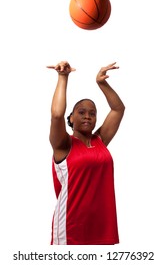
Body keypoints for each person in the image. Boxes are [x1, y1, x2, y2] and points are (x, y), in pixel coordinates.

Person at [47, 60, 125, 245]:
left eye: (92, 113)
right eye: (81, 112)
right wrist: (63, 77)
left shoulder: (100, 141)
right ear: (71, 118)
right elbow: (57, 115)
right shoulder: (63, 144)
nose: (88, 116)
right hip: (71, 226)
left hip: (102, 226)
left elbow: (118, 109)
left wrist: (102, 83)